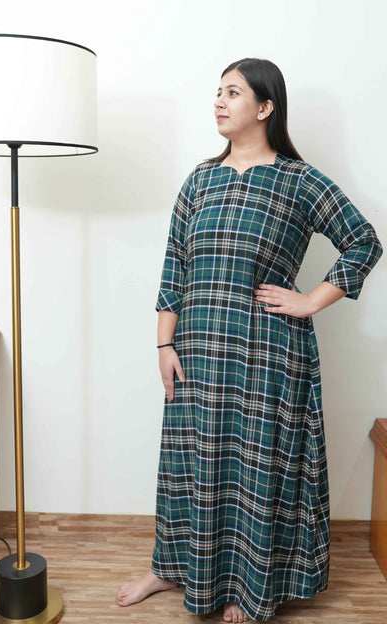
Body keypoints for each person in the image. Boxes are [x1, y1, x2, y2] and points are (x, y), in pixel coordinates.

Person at [115, 57, 383, 623]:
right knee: (189, 462)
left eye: (232, 92)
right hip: (196, 351)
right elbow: (174, 267)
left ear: (265, 107)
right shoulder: (200, 179)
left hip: (267, 352)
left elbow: (363, 241)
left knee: (256, 467)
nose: (219, 101)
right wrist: (164, 345)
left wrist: (310, 300)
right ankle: (171, 568)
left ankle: (249, 585)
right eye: (218, 91)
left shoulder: (299, 180)